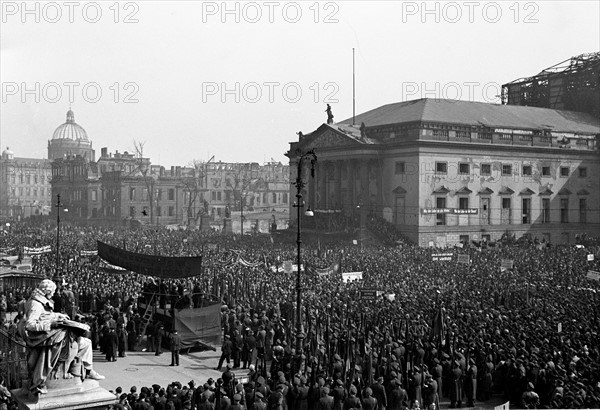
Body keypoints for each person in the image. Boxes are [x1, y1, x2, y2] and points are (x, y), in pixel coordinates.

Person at [18, 279, 104, 395]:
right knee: (73, 339)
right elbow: (30, 325)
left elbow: (46, 314)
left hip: (48, 332)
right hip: (41, 337)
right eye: (52, 291)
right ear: (47, 291)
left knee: (85, 341)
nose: (54, 294)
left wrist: (58, 315)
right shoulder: (36, 304)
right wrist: (51, 324)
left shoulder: (41, 300)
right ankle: (75, 370)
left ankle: (88, 369)